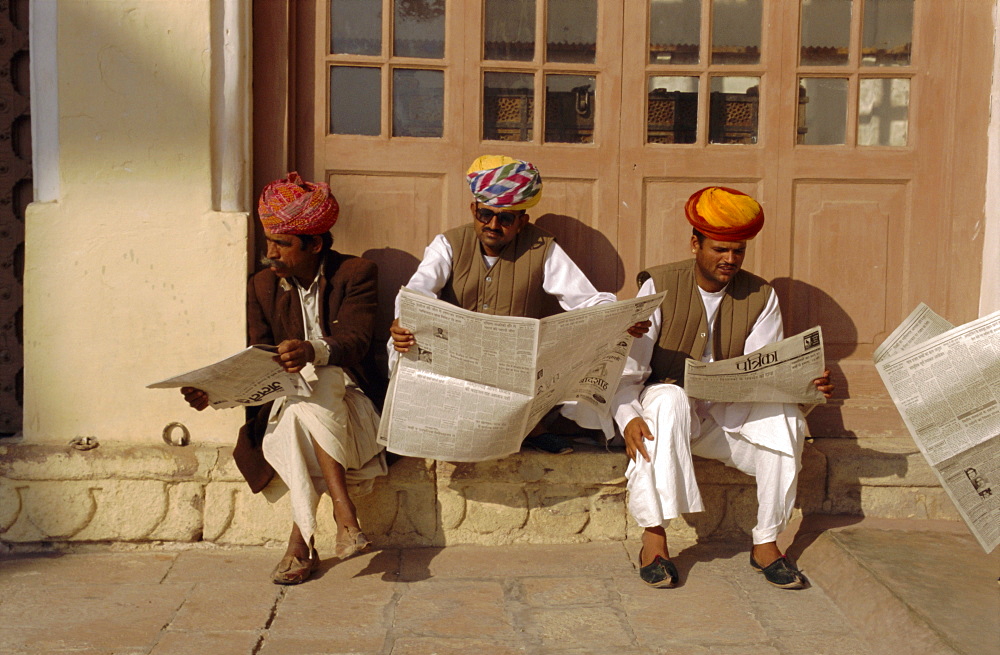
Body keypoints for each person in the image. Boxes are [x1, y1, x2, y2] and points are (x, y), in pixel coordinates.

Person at [578, 186, 834, 589]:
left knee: (785, 419)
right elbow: (629, 372)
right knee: (668, 398)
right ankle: (655, 539)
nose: (730, 260)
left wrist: (803, 385)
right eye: (720, 249)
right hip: (665, 417)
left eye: (738, 251)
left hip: (723, 419)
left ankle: (767, 542)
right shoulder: (659, 286)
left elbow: (762, 372)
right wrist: (627, 416)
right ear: (695, 243)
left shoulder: (761, 296)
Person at [181, 172, 387, 585]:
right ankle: (344, 517)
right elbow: (257, 361)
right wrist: (217, 394)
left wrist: (313, 350)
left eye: (282, 244)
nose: (269, 253)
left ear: (314, 244)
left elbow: (358, 341)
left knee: (324, 378)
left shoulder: (356, 273)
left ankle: (300, 544)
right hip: (290, 412)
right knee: (298, 407)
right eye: (268, 241)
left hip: (356, 415)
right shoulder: (261, 286)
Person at [389, 155, 648, 455]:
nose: (493, 225)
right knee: (400, 344)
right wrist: (403, 321)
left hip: (514, 367)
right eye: (485, 214)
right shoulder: (447, 244)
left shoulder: (542, 248)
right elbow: (416, 292)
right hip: (459, 362)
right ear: (474, 209)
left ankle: (530, 428)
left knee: (591, 344)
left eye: (506, 218)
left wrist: (620, 321)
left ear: (522, 221)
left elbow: (586, 301)